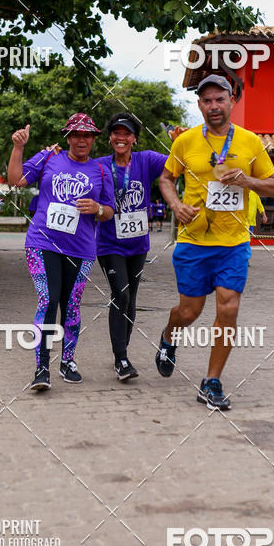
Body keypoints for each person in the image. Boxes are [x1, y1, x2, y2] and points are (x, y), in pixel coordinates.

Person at [156, 74, 274, 410]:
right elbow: (166, 178)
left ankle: (211, 381)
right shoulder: (185, 143)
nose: (213, 106)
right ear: (199, 105)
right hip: (195, 241)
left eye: (219, 99)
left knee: (228, 307)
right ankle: (169, 335)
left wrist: (247, 179)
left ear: (231, 101)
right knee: (189, 312)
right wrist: (175, 205)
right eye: (207, 101)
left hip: (234, 243)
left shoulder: (251, 143)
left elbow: (273, 186)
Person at [7, 114, 115, 391]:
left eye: (87, 135)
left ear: (93, 139)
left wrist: (98, 209)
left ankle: (68, 361)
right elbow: (16, 179)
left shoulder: (101, 171)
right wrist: (18, 147)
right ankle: (42, 367)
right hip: (42, 243)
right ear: (67, 137)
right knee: (49, 299)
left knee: (70, 306)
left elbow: (109, 211)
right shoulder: (49, 158)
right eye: (76, 134)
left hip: (81, 250)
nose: (81, 140)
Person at [96, 113, 168, 381]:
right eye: (116, 133)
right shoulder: (100, 165)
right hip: (109, 243)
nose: (121, 138)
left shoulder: (146, 160)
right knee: (121, 296)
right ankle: (121, 359)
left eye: (126, 133)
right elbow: (75, 170)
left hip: (138, 244)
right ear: (110, 138)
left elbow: (178, 165)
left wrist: (181, 142)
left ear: (134, 138)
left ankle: (121, 349)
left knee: (131, 299)